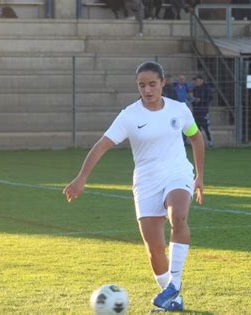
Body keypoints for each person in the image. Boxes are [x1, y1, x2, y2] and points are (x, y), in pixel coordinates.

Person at [63, 61, 205, 312]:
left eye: (152, 84)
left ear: (163, 83)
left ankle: (175, 285)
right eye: (142, 85)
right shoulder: (129, 115)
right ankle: (171, 297)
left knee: (178, 217)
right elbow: (101, 146)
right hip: (146, 181)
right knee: (155, 249)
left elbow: (195, 137)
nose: (147, 90)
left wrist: (199, 176)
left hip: (177, 173)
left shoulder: (179, 110)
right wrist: (81, 177)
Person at [192, 74, 214, 148]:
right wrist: (193, 100)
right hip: (196, 110)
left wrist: (201, 100)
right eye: (195, 80)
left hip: (203, 110)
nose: (196, 82)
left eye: (197, 80)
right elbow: (192, 99)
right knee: (197, 128)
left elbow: (210, 98)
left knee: (206, 127)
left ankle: (210, 142)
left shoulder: (207, 89)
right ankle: (199, 143)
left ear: (201, 80)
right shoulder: (195, 89)